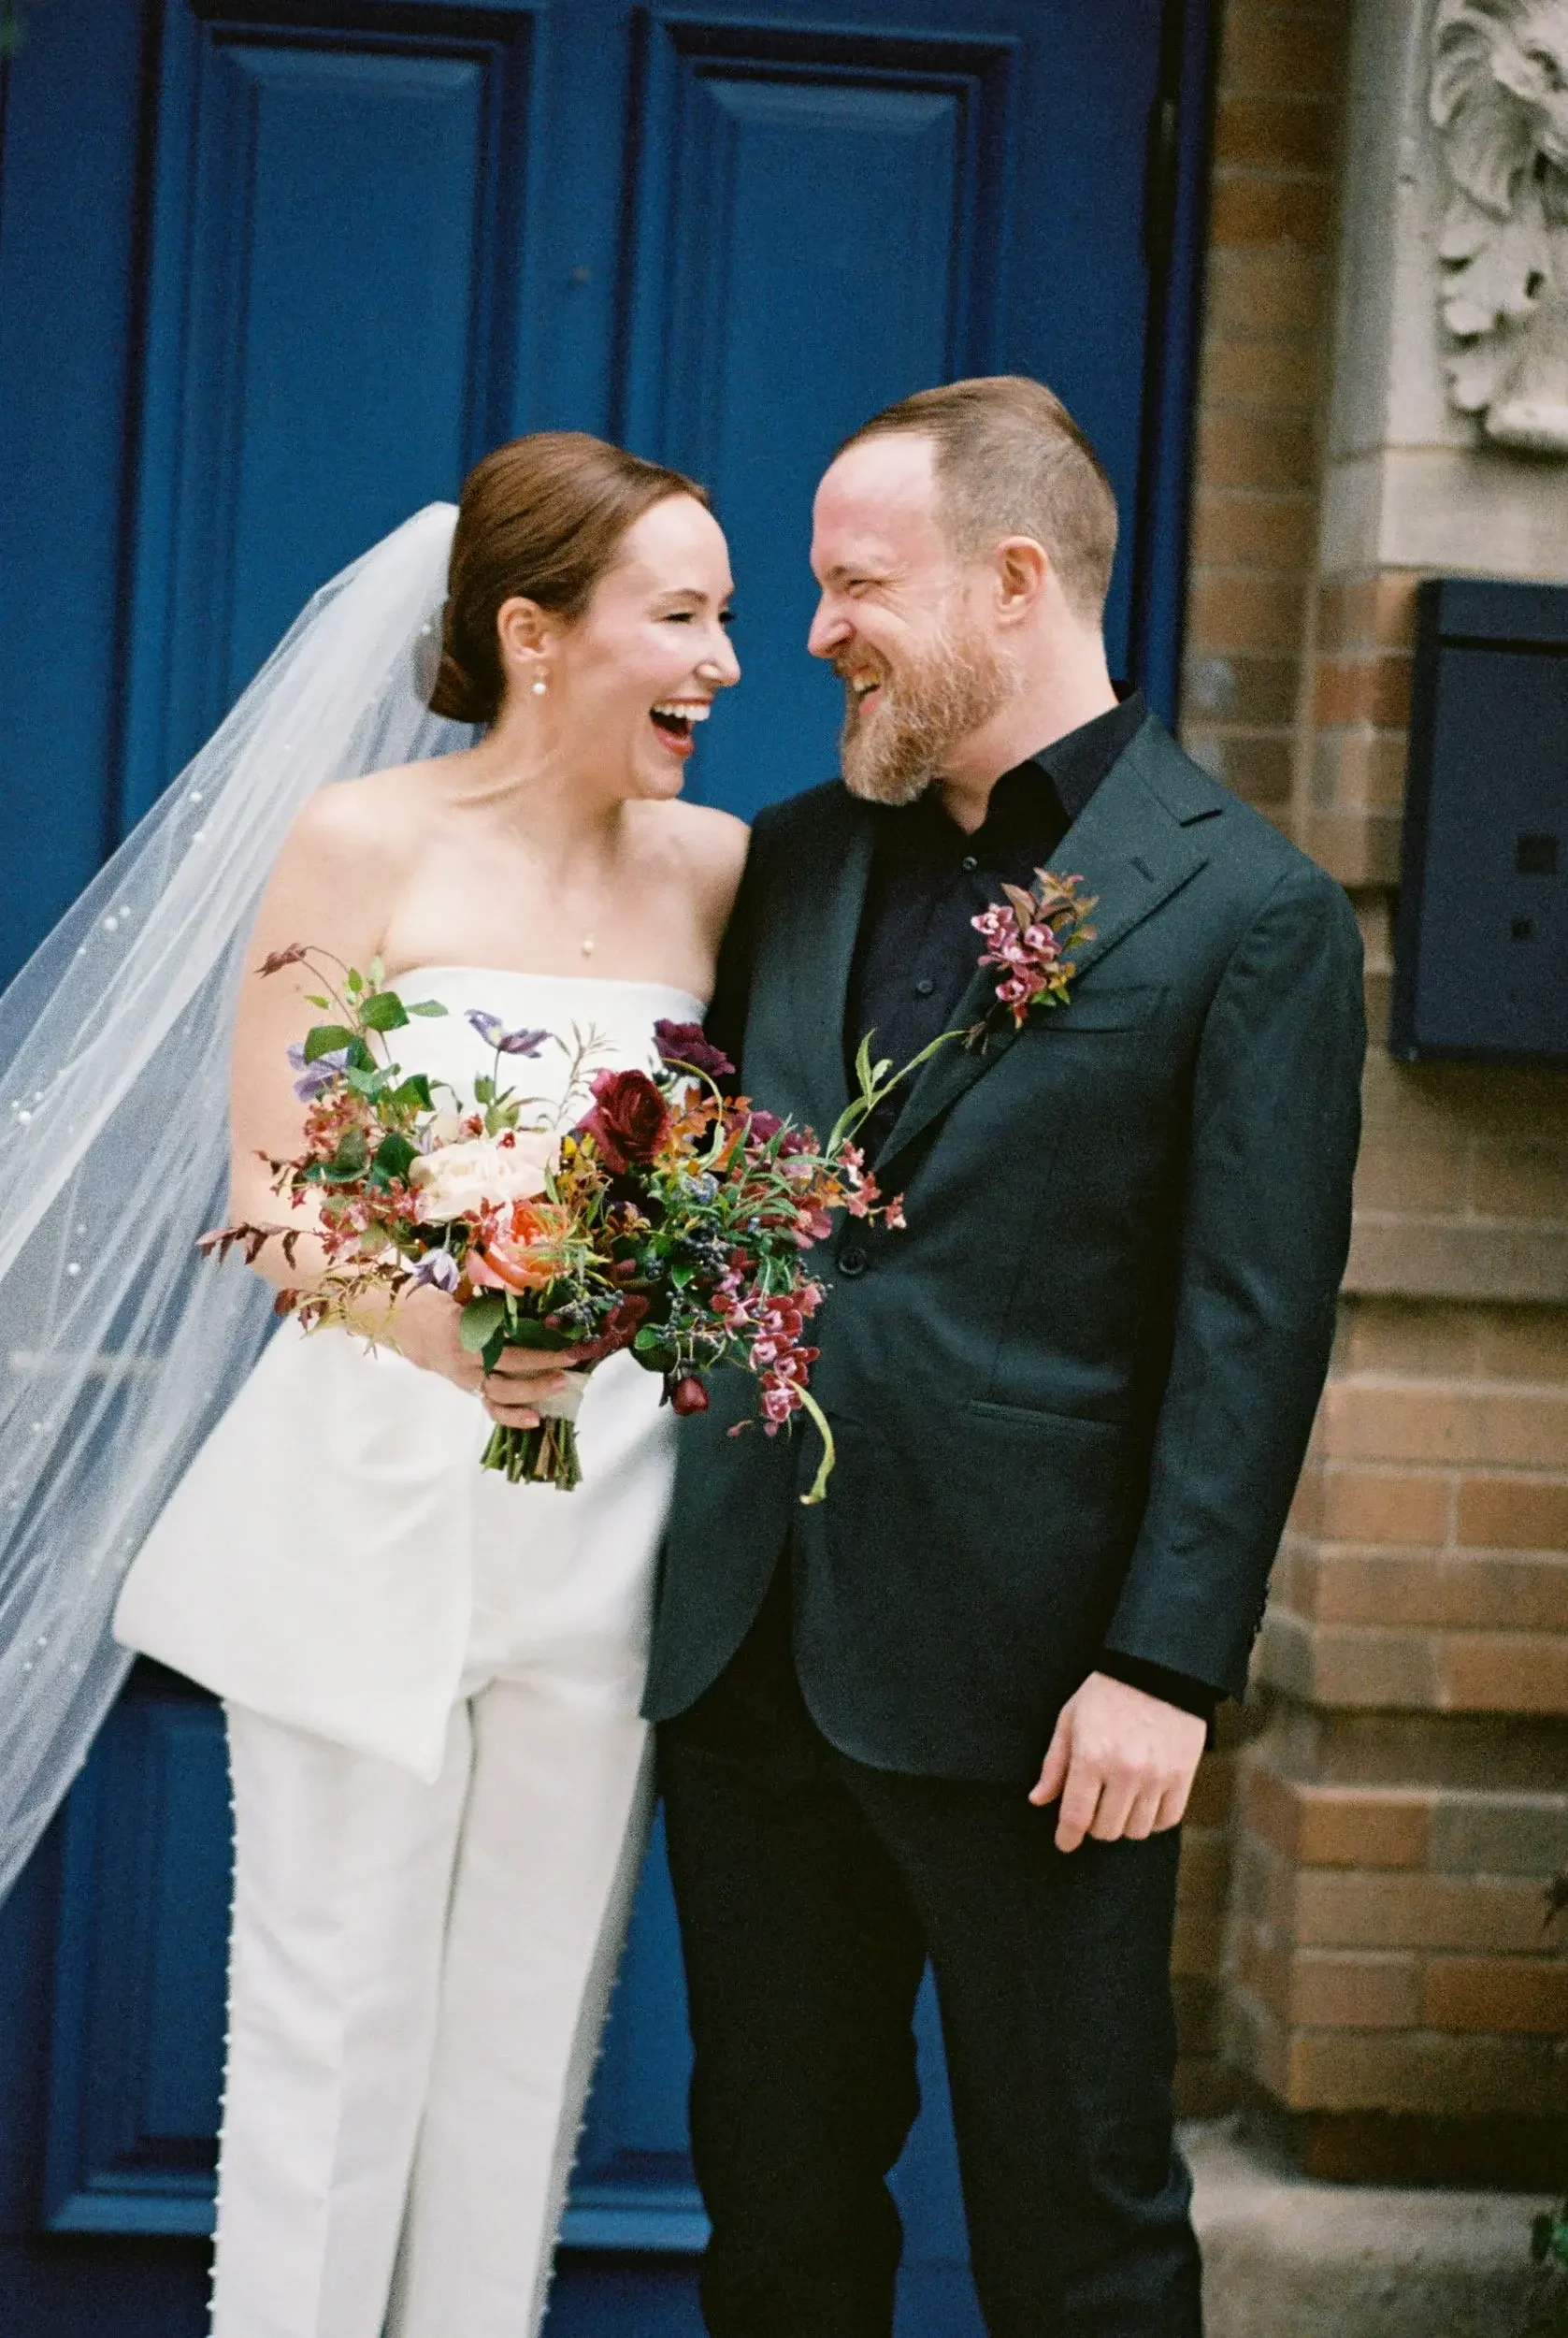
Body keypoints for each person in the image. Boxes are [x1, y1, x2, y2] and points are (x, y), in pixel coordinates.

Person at [633, 377, 1365, 2337]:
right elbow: (709, 1199)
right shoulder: (780, 860)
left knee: (1079, 2222)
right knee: (775, 2203)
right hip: (750, 1655)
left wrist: (1163, 1662)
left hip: (1049, 1698)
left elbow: (1251, 1316)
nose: (809, 631)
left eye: (852, 581)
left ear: (1012, 580)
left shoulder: (1253, 913)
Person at [106, 432, 744, 2337]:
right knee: (328, 2016)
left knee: (527, 2035)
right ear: (538, 633)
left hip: (601, 1510)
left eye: (726, 617)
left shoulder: (722, 868)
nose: (724, 664)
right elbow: (273, 1193)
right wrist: (451, 1327)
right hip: (368, 1491)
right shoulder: (361, 842)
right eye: (684, 616)